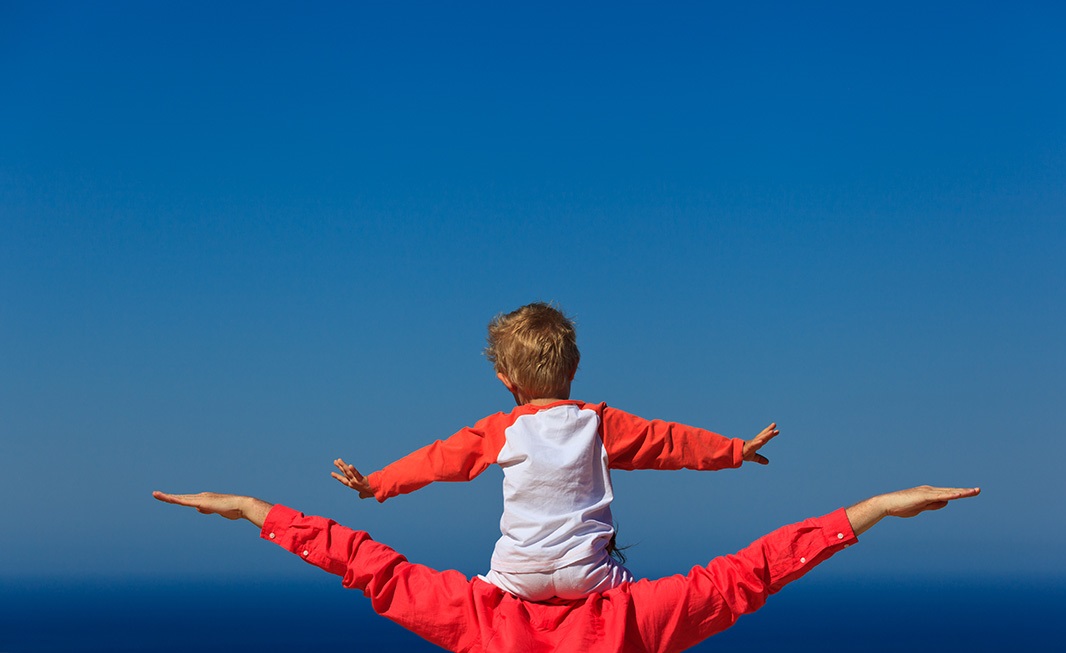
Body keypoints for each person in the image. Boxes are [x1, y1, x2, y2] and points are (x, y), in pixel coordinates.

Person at [153, 485, 980, 653]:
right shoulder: (637, 617)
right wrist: (865, 511)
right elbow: (751, 573)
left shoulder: (476, 616)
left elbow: (366, 563)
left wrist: (254, 510)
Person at [330, 302, 780, 600]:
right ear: (576, 366)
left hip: (515, 574)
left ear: (506, 380)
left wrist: (376, 484)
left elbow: (438, 459)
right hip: (587, 573)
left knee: (479, 601)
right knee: (637, 604)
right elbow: (669, 442)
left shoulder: (500, 429)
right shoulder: (599, 423)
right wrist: (735, 450)